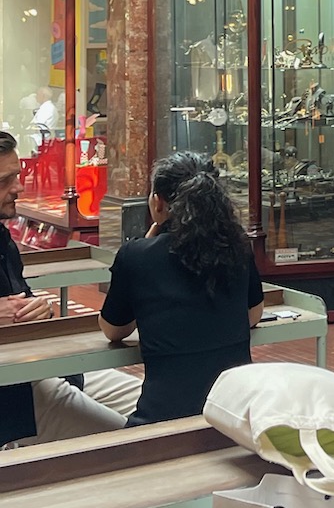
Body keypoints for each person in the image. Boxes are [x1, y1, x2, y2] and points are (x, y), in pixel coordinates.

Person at [99, 152, 263, 424]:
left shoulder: (135, 256)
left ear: (157, 202)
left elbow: (114, 329)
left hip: (162, 422)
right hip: (236, 417)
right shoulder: (237, 246)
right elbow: (253, 315)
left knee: (61, 395)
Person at [0, 129, 141, 444]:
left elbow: (25, 302)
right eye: (5, 181)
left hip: (40, 367)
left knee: (154, 405)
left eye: (17, 176)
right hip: (15, 395)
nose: (18, 188)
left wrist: (43, 309)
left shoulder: (3, 240)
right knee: (131, 443)